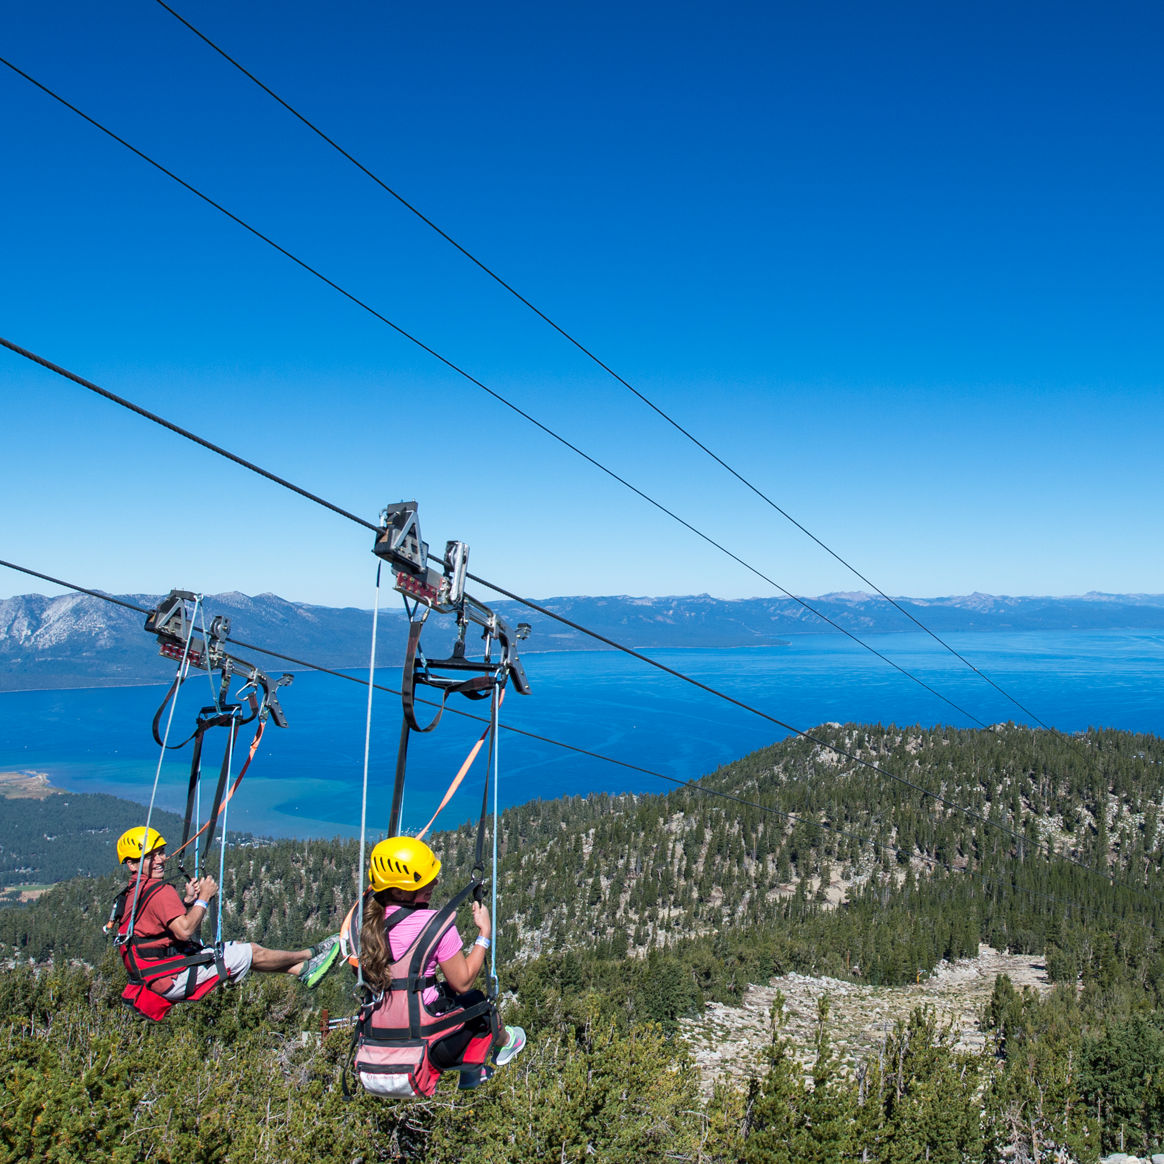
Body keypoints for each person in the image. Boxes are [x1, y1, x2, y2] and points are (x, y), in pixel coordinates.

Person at [111, 825, 341, 1020]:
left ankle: (302, 970)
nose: (161, 859)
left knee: (242, 949)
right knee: (249, 951)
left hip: (158, 977)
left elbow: (154, 928)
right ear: (132, 864)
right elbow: (183, 932)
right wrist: (203, 898)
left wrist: (188, 902)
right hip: (173, 977)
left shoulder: (132, 893)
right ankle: (309, 955)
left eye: (161, 852)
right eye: (152, 856)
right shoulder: (159, 891)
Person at [354, 835, 525, 1091]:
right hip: (429, 1045)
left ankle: (474, 1072)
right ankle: (504, 1043)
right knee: (477, 1003)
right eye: (425, 881)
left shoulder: (362, 923)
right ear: (400, 890)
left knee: (440, 991)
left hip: (375, 1038)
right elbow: (463, 981)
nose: (434, 883)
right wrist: (484, 934)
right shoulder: (435, 925)